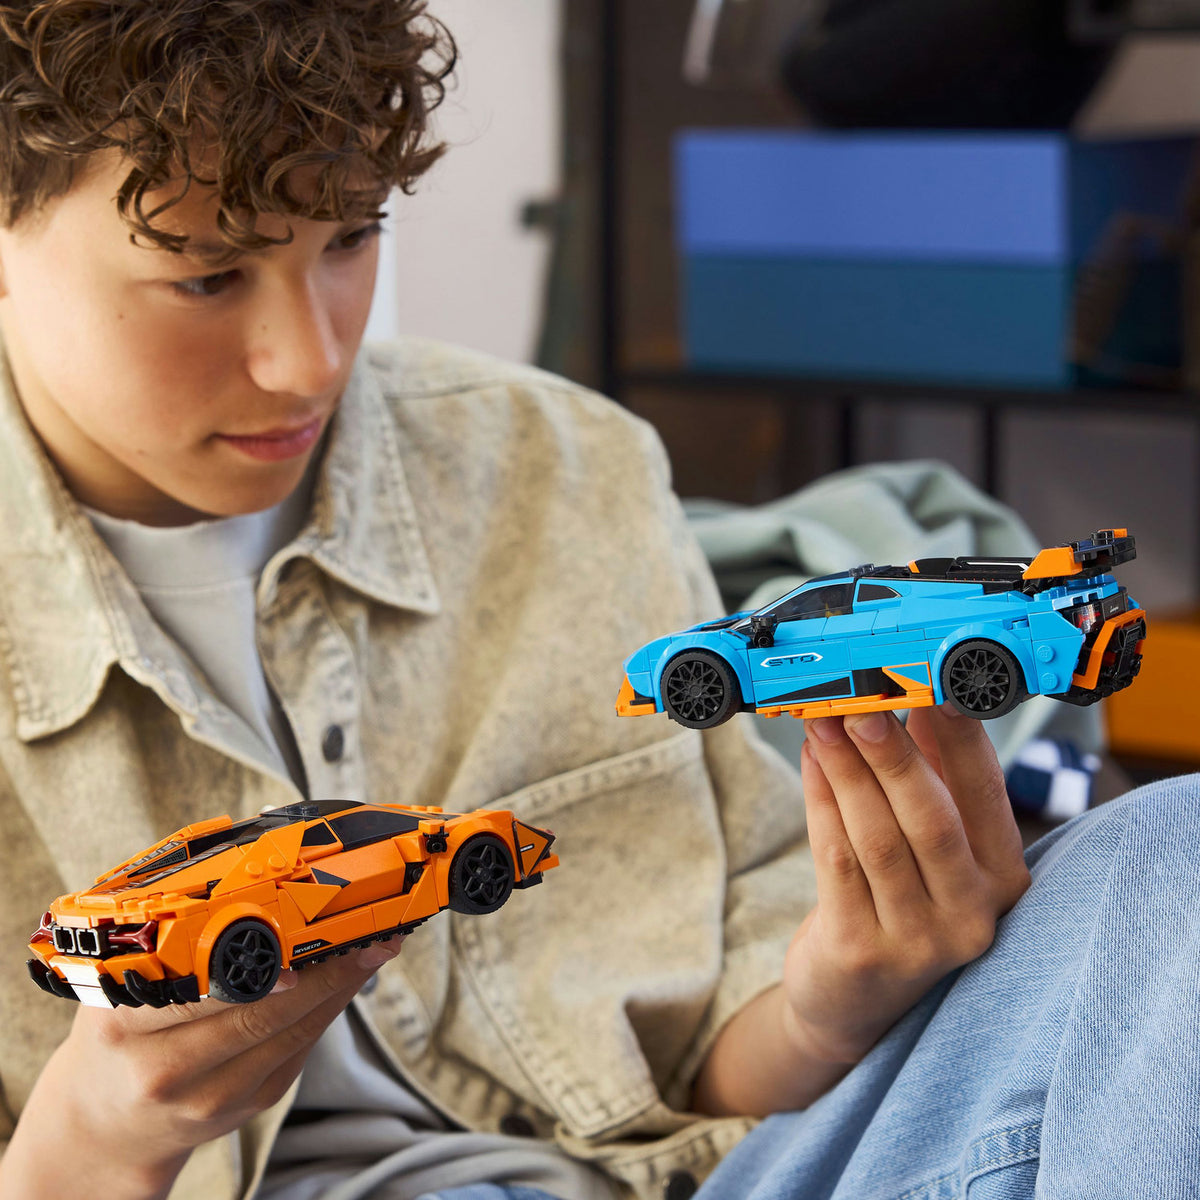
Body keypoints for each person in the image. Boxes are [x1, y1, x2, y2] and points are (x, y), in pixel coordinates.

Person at [0, 3, 1045, 1199]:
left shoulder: (564, 467)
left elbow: (699, 1087)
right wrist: (89, 1147)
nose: (308, 358)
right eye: (207, 277)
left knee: (1164, 854)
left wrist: (828, 996)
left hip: (711, 1174)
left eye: (351, 238)